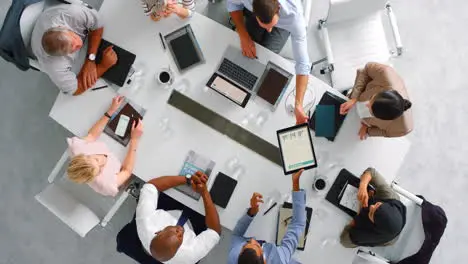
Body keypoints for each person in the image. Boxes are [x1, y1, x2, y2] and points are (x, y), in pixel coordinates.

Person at [227, 0, 312, 124]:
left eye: (271, 25)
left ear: (278, 7)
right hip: (256, 13)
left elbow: (303, 63)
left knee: (265, 58)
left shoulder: (294, 16)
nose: (269, 30)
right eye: (266, 26)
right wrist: (243, 34)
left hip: (284, 24)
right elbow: (232, 4)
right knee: (246, 53)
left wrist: (298, 104)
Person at [31, 3, 117, 95]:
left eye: (74, 38)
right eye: (73, 49)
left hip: (52, 14)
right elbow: (75, 90)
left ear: (62, 27)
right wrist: (103, 66)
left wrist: (90, 60)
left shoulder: (73, 14)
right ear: (61, 56)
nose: (79, 44)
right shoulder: (53, 65)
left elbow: (98, 24)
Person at [136, 171, 221, 263]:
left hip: (170, 207)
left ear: (159, 232)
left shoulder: (145, 222)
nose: (180, 230)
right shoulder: (189, 255)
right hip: (193, 223)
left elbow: (151, 186)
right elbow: (215, 231)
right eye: (180, 237)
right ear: (178, 251)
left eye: (175, 231)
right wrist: (204, 192)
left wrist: (188, 179)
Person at [67, 95, 143, 197]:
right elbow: (127, 171)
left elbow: (92, 135)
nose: (102, 164)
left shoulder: (77, 149)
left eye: (97, 160)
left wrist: (111, 111)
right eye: (99, 170)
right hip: (122, 162)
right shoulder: (107, 184)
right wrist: (134, 139)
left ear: (86, 155)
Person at [228, 169, 306, 264]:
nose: (252, 239)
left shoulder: (234, 256)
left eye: (246, 245)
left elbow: (236, 236)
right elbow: (298, 223)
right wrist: (295, 183)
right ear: (264, 261)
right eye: (257, 246)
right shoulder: (280, 258)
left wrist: (252, 212)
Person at [339, 62, 413, 139]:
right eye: (371, 98)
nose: (367, 105)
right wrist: (354, 98)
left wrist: (367, 130)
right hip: (360, 93)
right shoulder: (385, 73)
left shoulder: (402, 129)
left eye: (371, 111)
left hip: (361, 120)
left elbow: (385, 132)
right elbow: (365, 70)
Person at [340, 167, 407, 248]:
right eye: (378, 204)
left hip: (388, 240)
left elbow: (344, 241)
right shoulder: (390, 197)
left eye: (371, 213)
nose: (371, 206)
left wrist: (360, 211)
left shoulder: (368, 235)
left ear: (374, 226)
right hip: (395, 224)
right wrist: (363, 187)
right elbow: (371, 172)